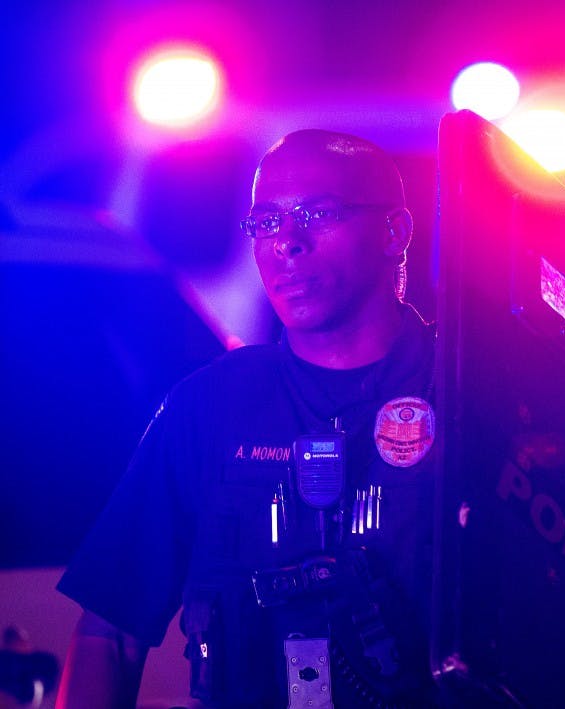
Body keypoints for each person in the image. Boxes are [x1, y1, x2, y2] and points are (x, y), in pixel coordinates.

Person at [55, 129, 438, 707]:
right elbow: (110, 635)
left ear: (395, 231)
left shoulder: (469, 395)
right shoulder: (210, 406)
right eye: (265, 223)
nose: (288, 243)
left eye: (319, 213)